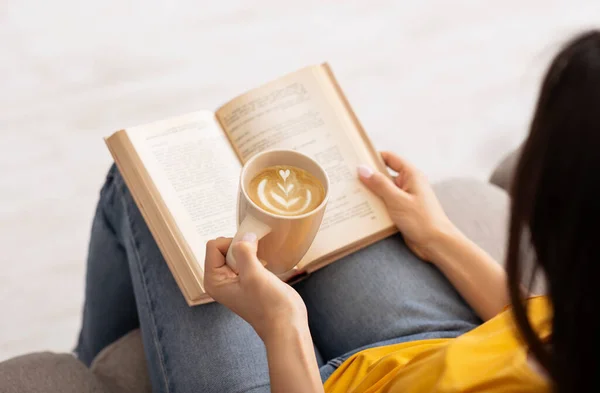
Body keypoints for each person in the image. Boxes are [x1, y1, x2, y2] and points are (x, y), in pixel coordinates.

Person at [75, 30, 600, 393]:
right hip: (438, 348)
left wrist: (283, 323)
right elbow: (553, 325)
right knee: (324, 181)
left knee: (138, 182)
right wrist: (438, 236)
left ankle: (88, 367)